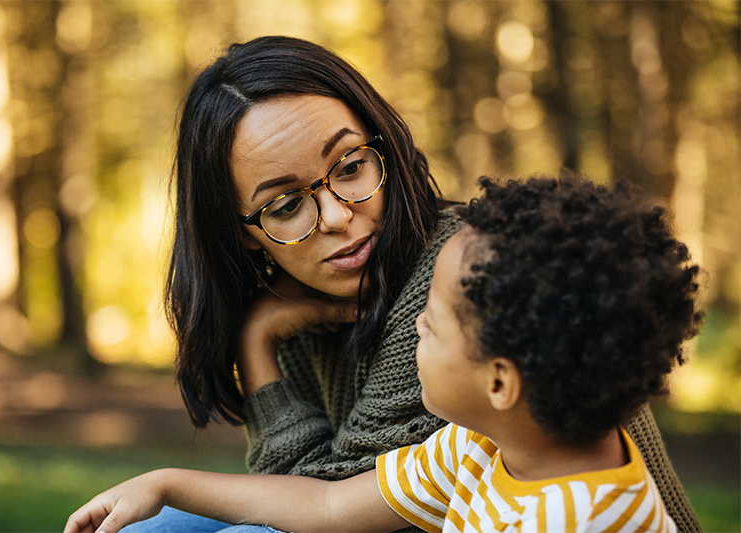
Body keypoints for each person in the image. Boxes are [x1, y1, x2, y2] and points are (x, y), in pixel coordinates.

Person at [118, 36, 701, 532]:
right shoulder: (466, 450)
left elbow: (317, 513)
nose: (339, 216)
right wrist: (169, 479)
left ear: (384, 148)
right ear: (243, 232)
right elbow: (323, 504)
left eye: (350, 167)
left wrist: (257, 342)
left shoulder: (462, 279)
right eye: (288, 204)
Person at [65, 175, 703, 533]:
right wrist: (165, 483)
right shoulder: (480, 443)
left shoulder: (576, 521)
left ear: (501, 381)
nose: (412, 325)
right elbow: (330, 504)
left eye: (430, 323)